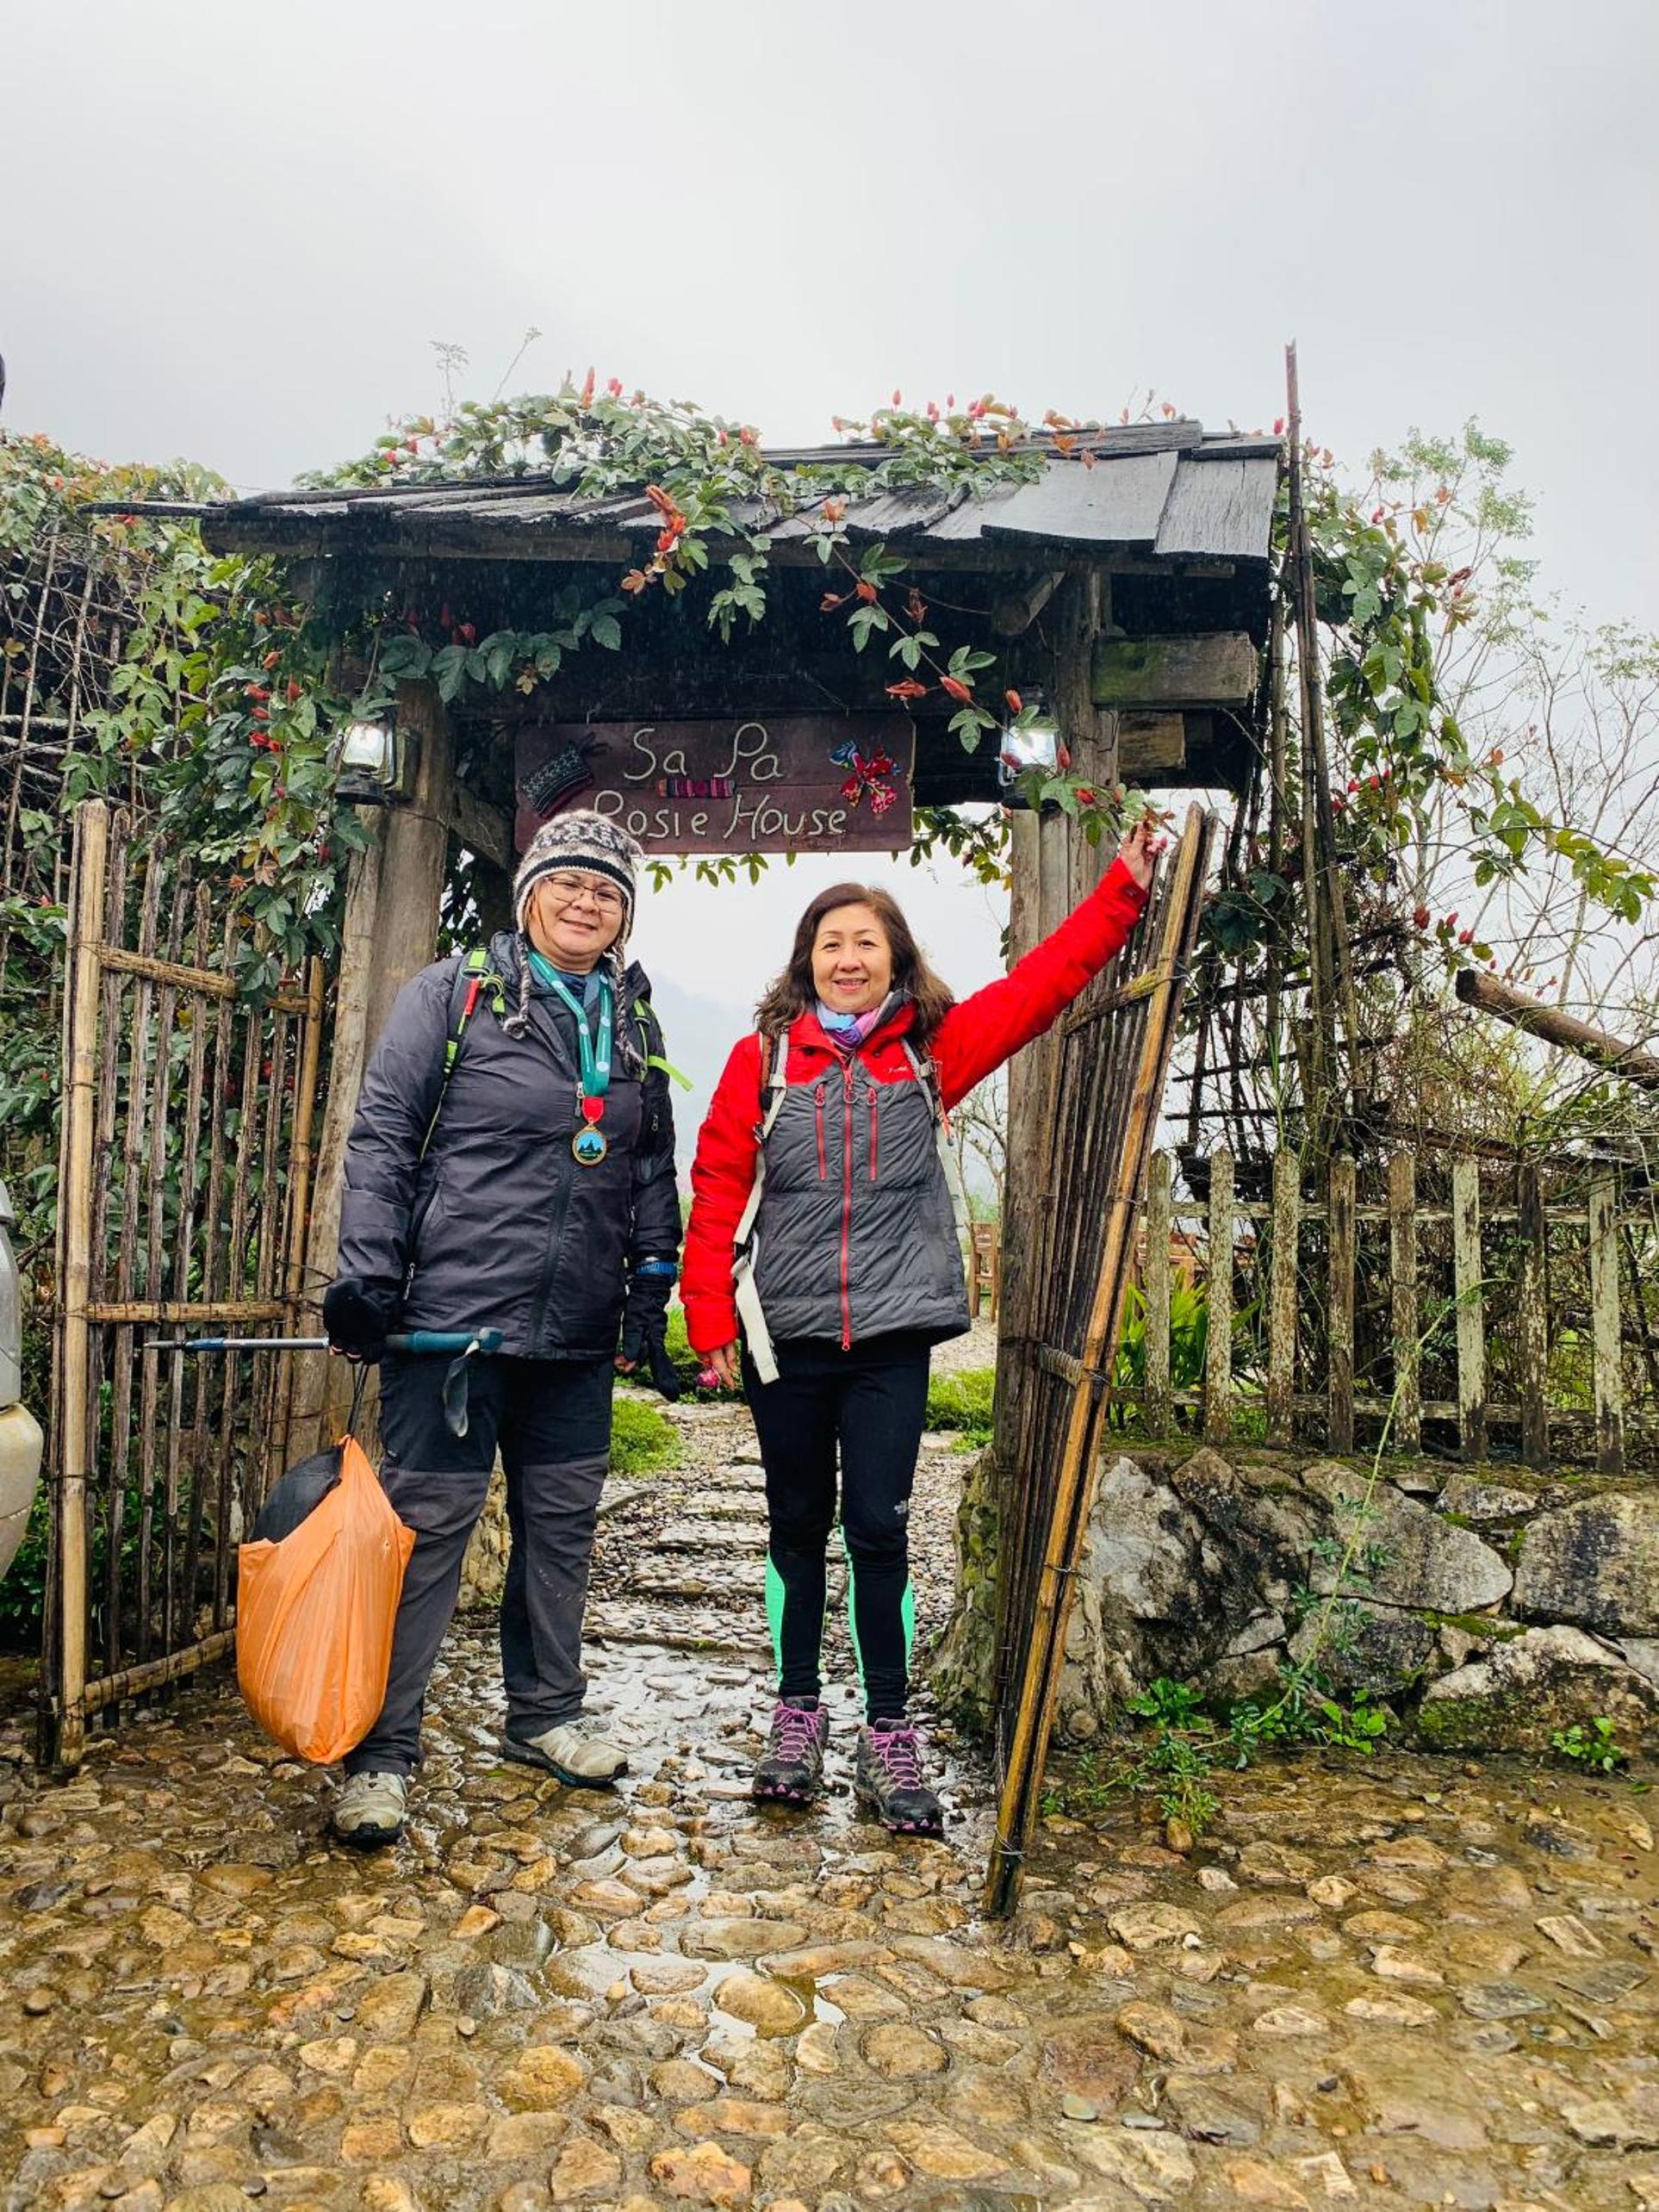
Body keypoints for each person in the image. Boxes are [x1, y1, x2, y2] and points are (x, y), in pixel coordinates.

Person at [680, 821, 1159, 1836]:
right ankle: (796, 1715)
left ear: (896, 958)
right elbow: (718, 1185)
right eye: (831, 944)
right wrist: (709, 1315)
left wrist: (1124, 889)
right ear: (807, 962)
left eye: (866, 942)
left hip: (892, 1338)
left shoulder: (931, 1053)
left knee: (880, 1528)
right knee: (796, 1524)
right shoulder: (762, 1062)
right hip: (783, 1339)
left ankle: (888, 1730)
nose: (848, 958)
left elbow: (1042, 987)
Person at [321, 812, 680, 1848]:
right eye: (568, 882)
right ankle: (381, 1754)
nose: (586, 902)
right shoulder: (454, 995)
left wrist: (651, 1283)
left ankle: (546, 1714)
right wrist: (369, 1274)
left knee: (561, 1530)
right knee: (426, 1535)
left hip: (574, 1334)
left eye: (607, 891)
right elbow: (384, 1135)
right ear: (529, 895)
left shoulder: (634, 1020)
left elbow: (650, 1163)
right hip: (451, 1329)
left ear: (624, 915)